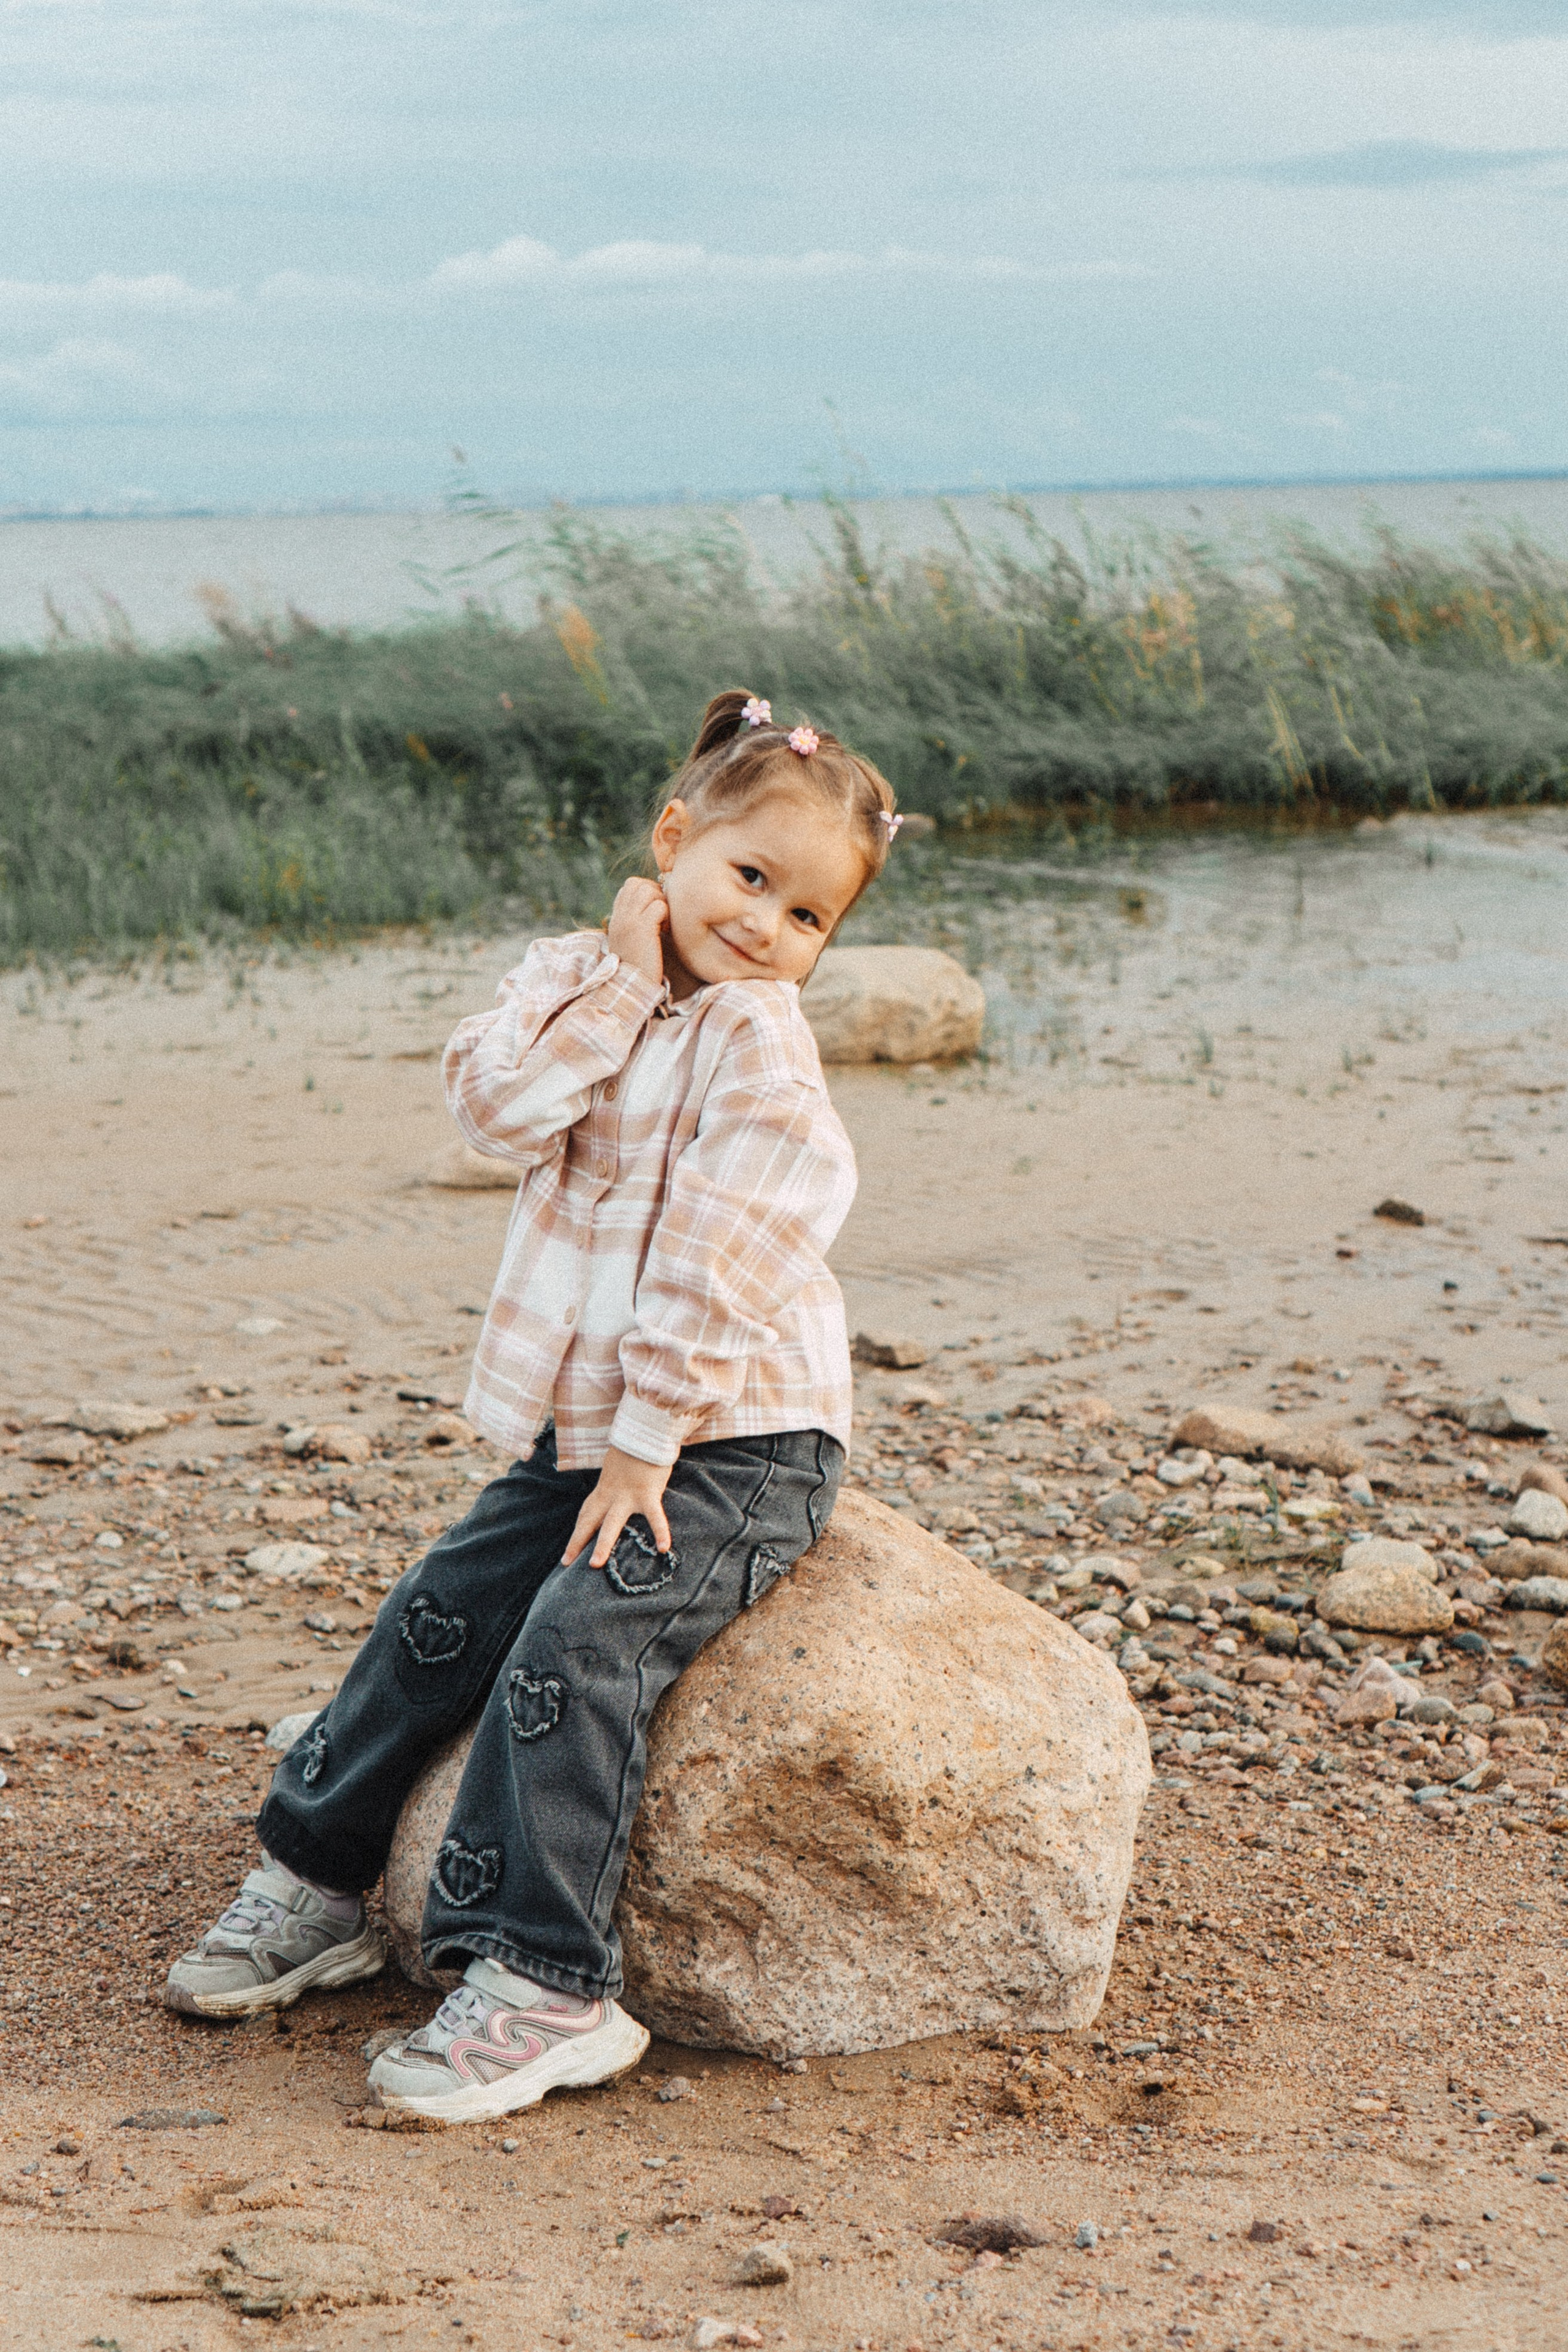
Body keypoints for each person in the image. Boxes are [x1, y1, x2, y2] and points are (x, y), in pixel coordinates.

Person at [163, 690, 903, 2123]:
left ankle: (548, 1981)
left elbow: (725, 1251)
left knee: (574, 1640)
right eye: (750, 880)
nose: (766, 929)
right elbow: (497, 1115)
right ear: (672, 840)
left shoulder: (762, 1045)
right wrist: (620, 991)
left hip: (732, 1438)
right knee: (443, 1604)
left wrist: (642, 1452)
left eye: (809, 917)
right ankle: (316, 1875)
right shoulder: (571, 979)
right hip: (591, 1435)